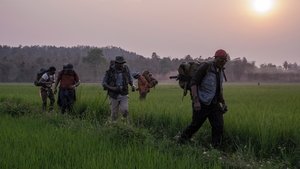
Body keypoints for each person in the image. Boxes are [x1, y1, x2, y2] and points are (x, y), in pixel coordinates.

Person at [176, 49, 229, 148]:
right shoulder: (206, 67)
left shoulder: (221, 70)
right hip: (202, 102)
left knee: (218, 126)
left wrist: (223, 102)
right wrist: (196, 101)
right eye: (221, 60)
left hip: (214, 104)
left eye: (224, 60)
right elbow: (193, 83)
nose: (223, 62)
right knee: (195, 125)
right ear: (215, 58)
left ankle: (216, 148)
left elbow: (219, 88)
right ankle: (181, 141)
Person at [102, 56, 135, 122]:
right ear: (116, 63)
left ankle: (125, 124)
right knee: (114, 115)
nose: (121, 65)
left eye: (122, 63)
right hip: (113, 95)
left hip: (124, 94)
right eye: (120, 63)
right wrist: (113, 88)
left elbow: (130, 78)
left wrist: (132, 85)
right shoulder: (109, 71)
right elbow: (104, 83)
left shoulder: (126, 69)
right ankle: (112, 126)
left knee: (125, 110)